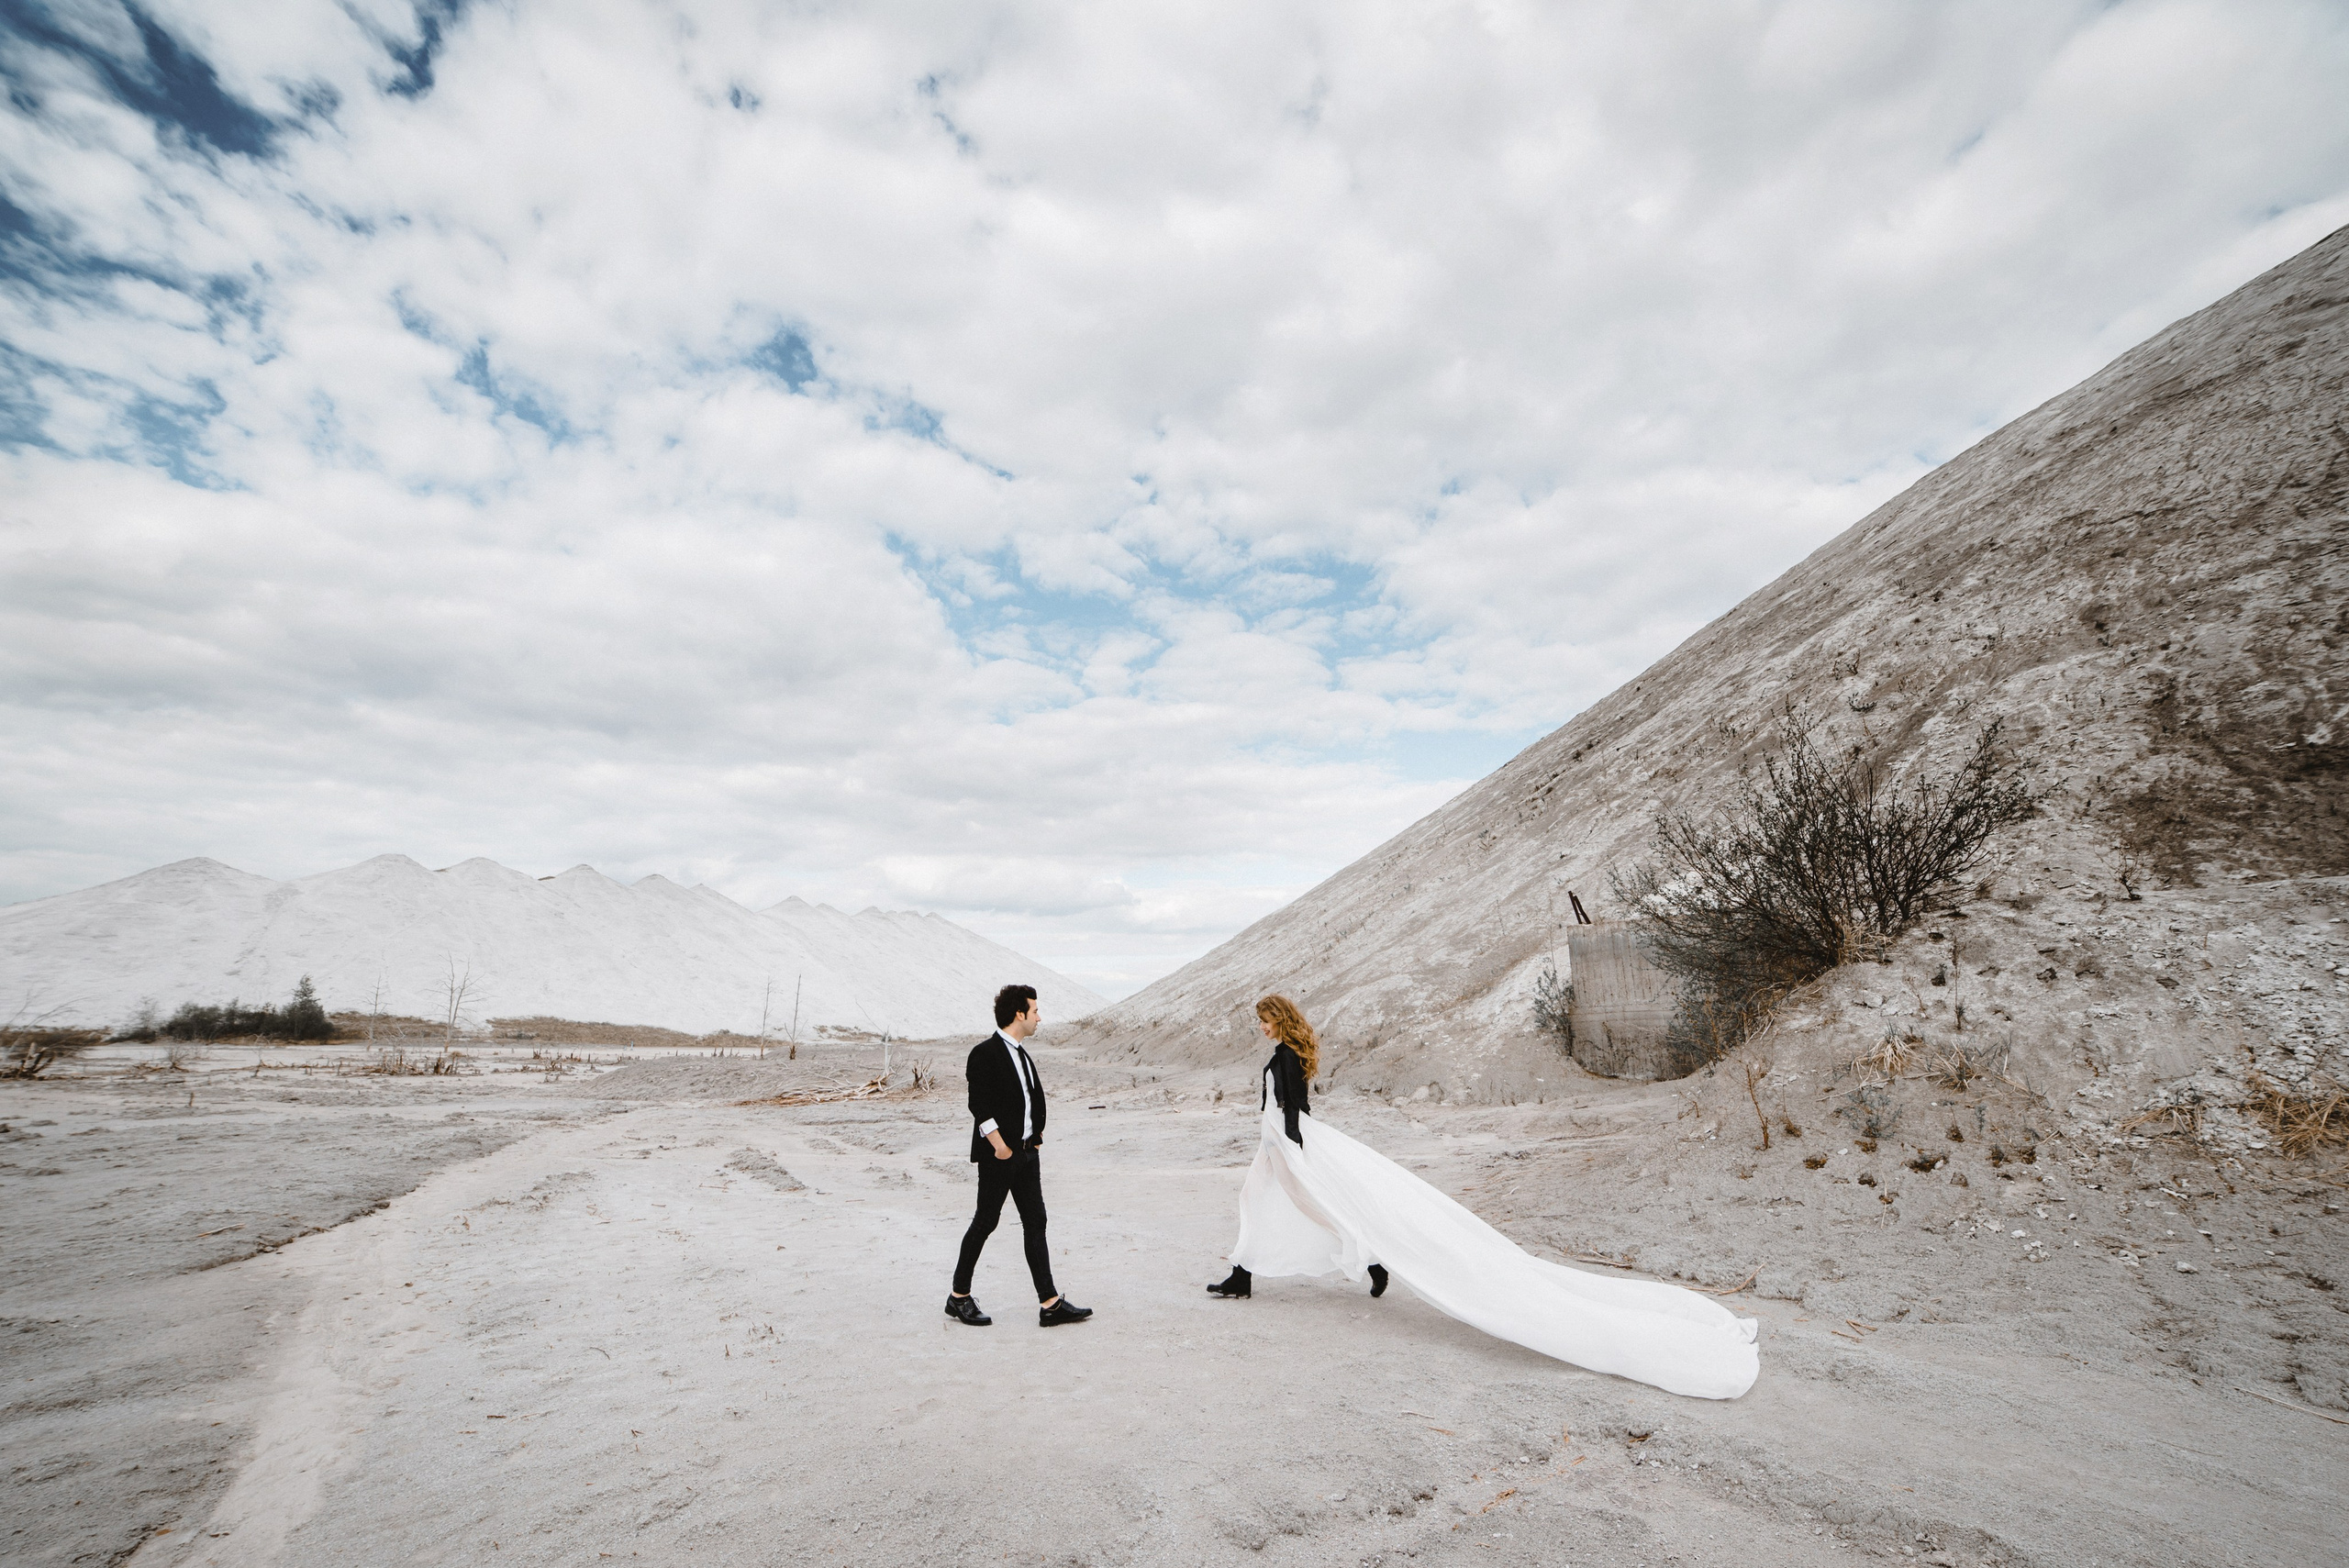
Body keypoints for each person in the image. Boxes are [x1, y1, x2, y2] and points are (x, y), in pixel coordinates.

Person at [1205, 994, 1759, 1401]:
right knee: (1264, 1203)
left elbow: (1295, 1112)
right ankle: (1249, 1272)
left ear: (1279, 1019)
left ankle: (1362, 1256)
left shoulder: (1285, 1058)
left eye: (1264, 1017)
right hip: (1277, 1141)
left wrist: (1290, 1151)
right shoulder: (1284, 1053)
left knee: (1314, 1206)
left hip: (1287, 1142)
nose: (1259, 1024)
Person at [946, 984, 1093, 1329]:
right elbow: (979, 1106)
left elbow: (1029, 1101)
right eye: (1035, 1010)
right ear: (1019, 1014)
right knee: (986, 1222)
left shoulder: (1022, 1053)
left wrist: (1036, 1139)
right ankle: (958, 1297)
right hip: (1001, 1155)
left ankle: (1050, 1304)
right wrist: (999, 1145)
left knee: (1036, 1223)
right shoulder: (985, 1053)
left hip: (1027, 1155)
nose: (1039, 1017)